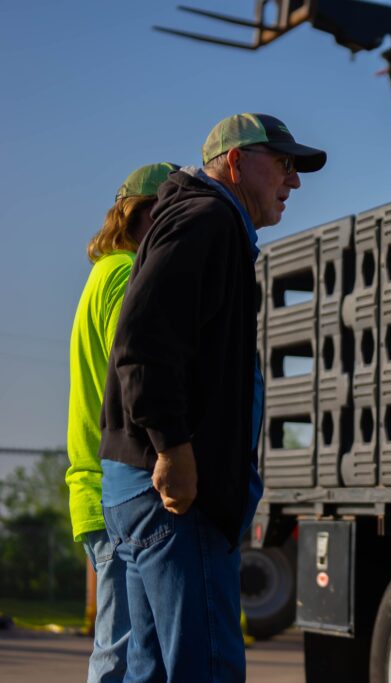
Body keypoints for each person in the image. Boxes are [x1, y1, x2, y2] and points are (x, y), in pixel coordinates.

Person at [98, 113, 326, 682]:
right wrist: (173, 447)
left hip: (143, 490)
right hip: (175, 499)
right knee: (207, 669)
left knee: (149, 671)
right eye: (283, 163)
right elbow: (142, 338)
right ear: (235, 162)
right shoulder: (208, 220)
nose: (293, 181)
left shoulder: (197, 222)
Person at [66, 162, 179, 683]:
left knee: (121, 647)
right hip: (116, 483)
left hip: (96, 486)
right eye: (171, 208)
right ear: (143, 214)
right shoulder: (123, 274)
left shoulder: (100, 273)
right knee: (122, 651)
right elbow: (136, 369)